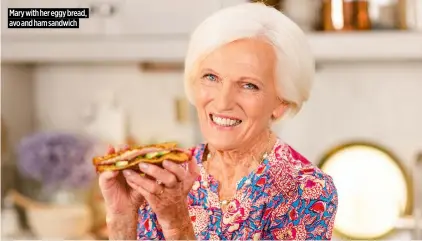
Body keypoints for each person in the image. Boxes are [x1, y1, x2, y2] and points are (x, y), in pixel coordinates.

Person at [99, 2, 338, 240]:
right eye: (211, 77)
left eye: (248, 85)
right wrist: (122, 218)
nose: (223, 102)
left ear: (281, 101)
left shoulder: (307, 190)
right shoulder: (167, 177)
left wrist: (176, 224)